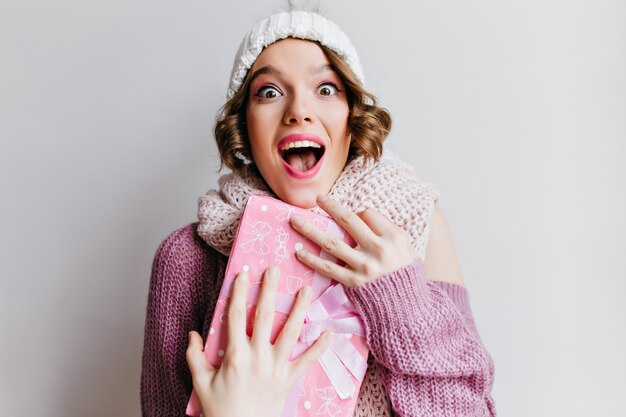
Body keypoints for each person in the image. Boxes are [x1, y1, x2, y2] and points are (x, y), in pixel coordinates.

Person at [141, 10, 496, 417]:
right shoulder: (186, 261)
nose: (299, 110)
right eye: (270, 92)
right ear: (244, 127)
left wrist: (401, 303)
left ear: (352, 119)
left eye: (326, 88)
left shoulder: (416, 228)